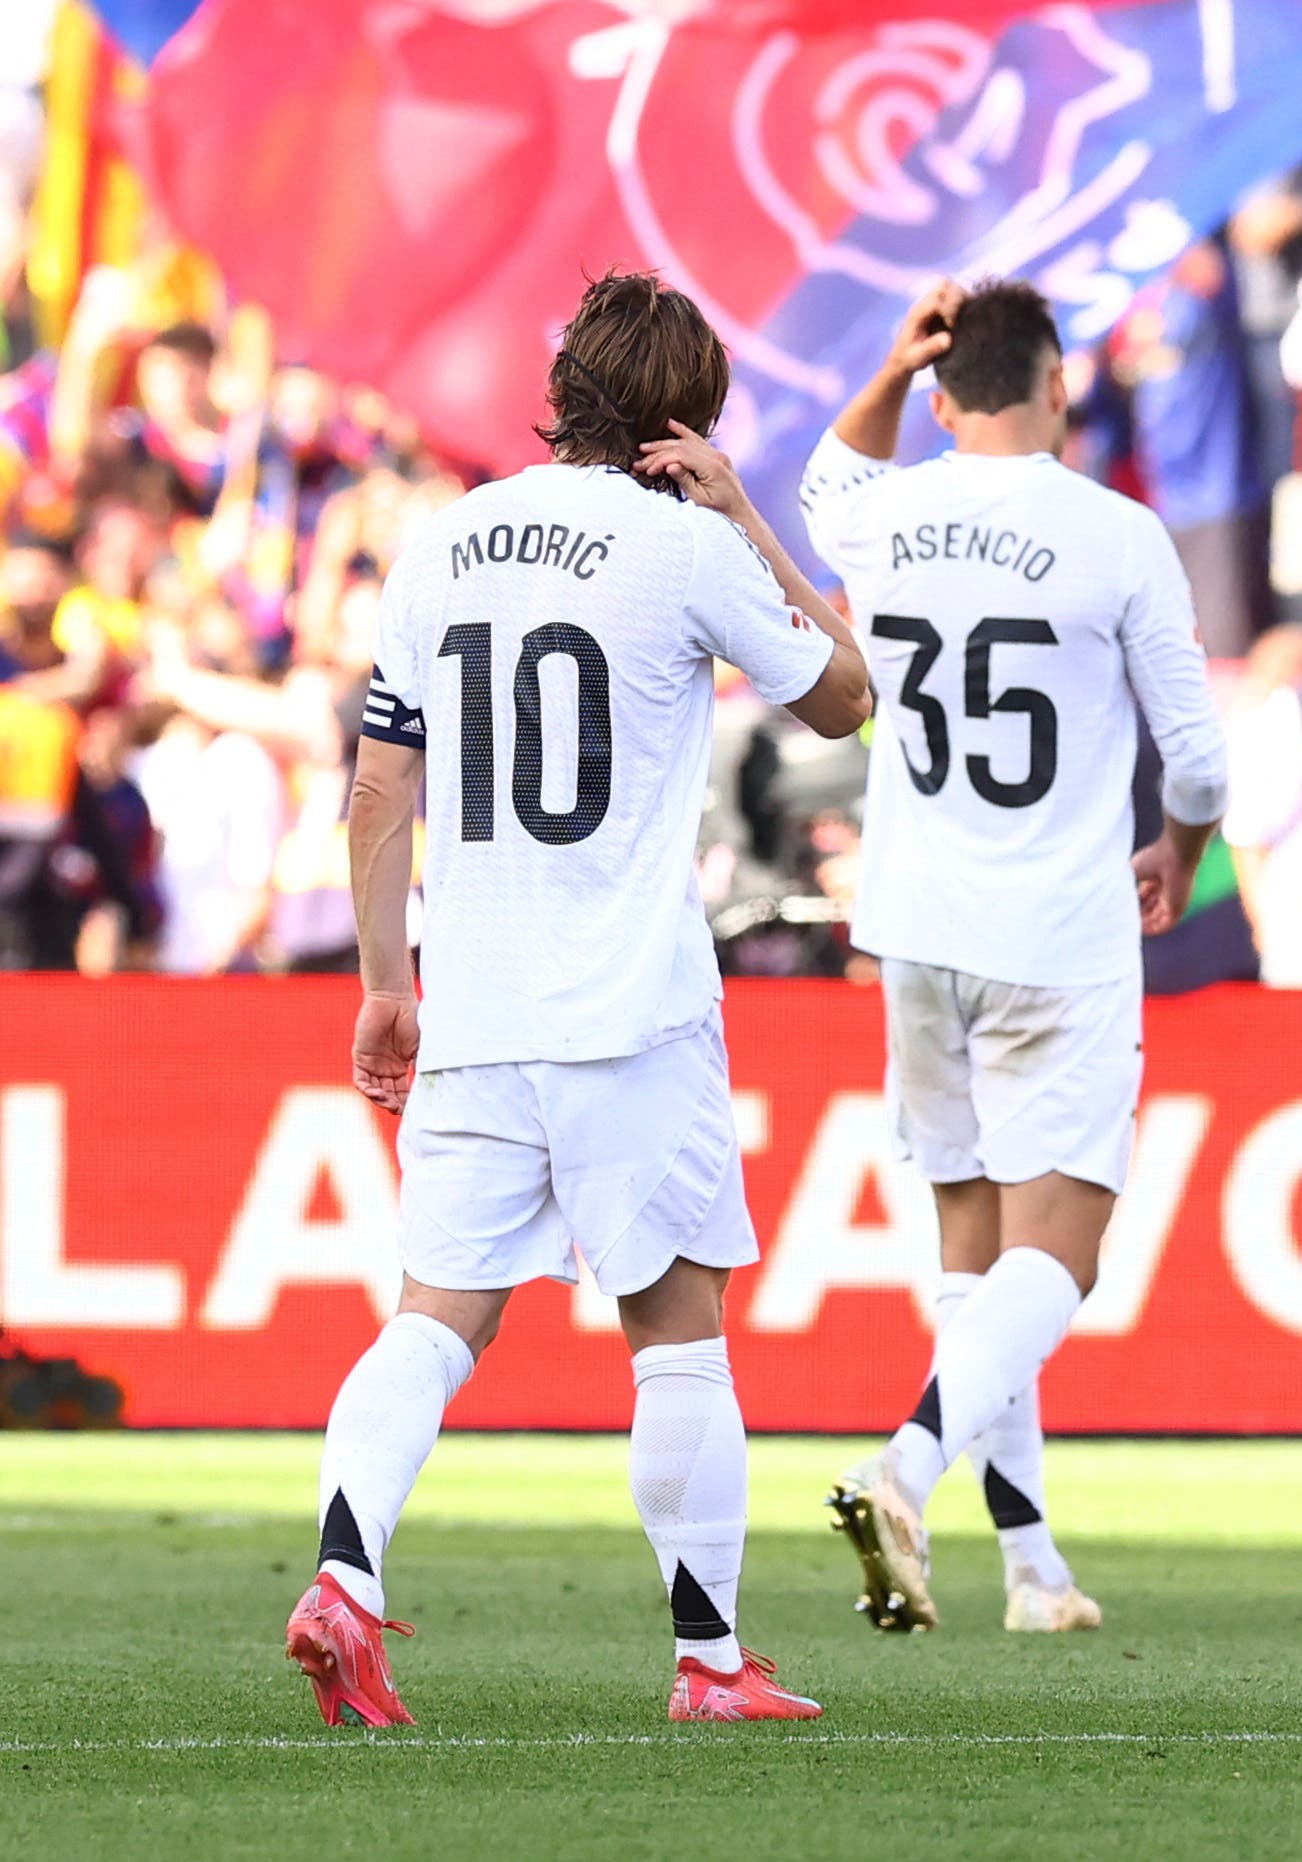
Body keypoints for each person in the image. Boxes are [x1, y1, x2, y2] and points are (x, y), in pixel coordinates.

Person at [289, 272, 870, 1728]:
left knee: (428, 1322)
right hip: (630, 1013)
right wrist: (744, 514)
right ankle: (711, 1659)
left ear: (566, 393)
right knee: (677, 1331)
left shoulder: (440, 546)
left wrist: (383, 984)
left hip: (475, 1008)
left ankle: (345, 1579)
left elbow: (377, 783)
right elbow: (847, 698)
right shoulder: (683, 546)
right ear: (686, 413)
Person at [800, 280, 1229, 1637]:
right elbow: (1203, 758)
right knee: (1065, 1251)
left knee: (971, 1253)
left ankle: (1031, 1564)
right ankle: (905, 1466)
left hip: (916, 926)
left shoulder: (886, 514)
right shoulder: (1115, 534)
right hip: (1057, 928)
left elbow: (821, 483)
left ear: (940, 397)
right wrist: (1176, 841)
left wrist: (884, 365)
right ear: (1059, 385)